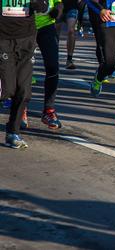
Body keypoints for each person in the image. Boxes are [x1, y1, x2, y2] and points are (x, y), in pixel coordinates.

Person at [0, 0, 49, 148]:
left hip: (26, 38)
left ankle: (13, 133)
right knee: (7, 89)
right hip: (3, 38)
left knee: (25, 91)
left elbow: (44, 6)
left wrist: (37, 3)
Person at [22, 0, 63, 130]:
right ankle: (21, 108)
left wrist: (58, 10)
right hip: (24, 26)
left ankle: (49, 110)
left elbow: (58, 2)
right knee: (24, 68)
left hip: (47, 26)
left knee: (53, 67)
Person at [56, 0, 79, 69]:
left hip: (72, 7)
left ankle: (69, 60)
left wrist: (80, 19)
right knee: (55, 32)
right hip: (57, 6)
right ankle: (54, 58)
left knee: (71, 31)